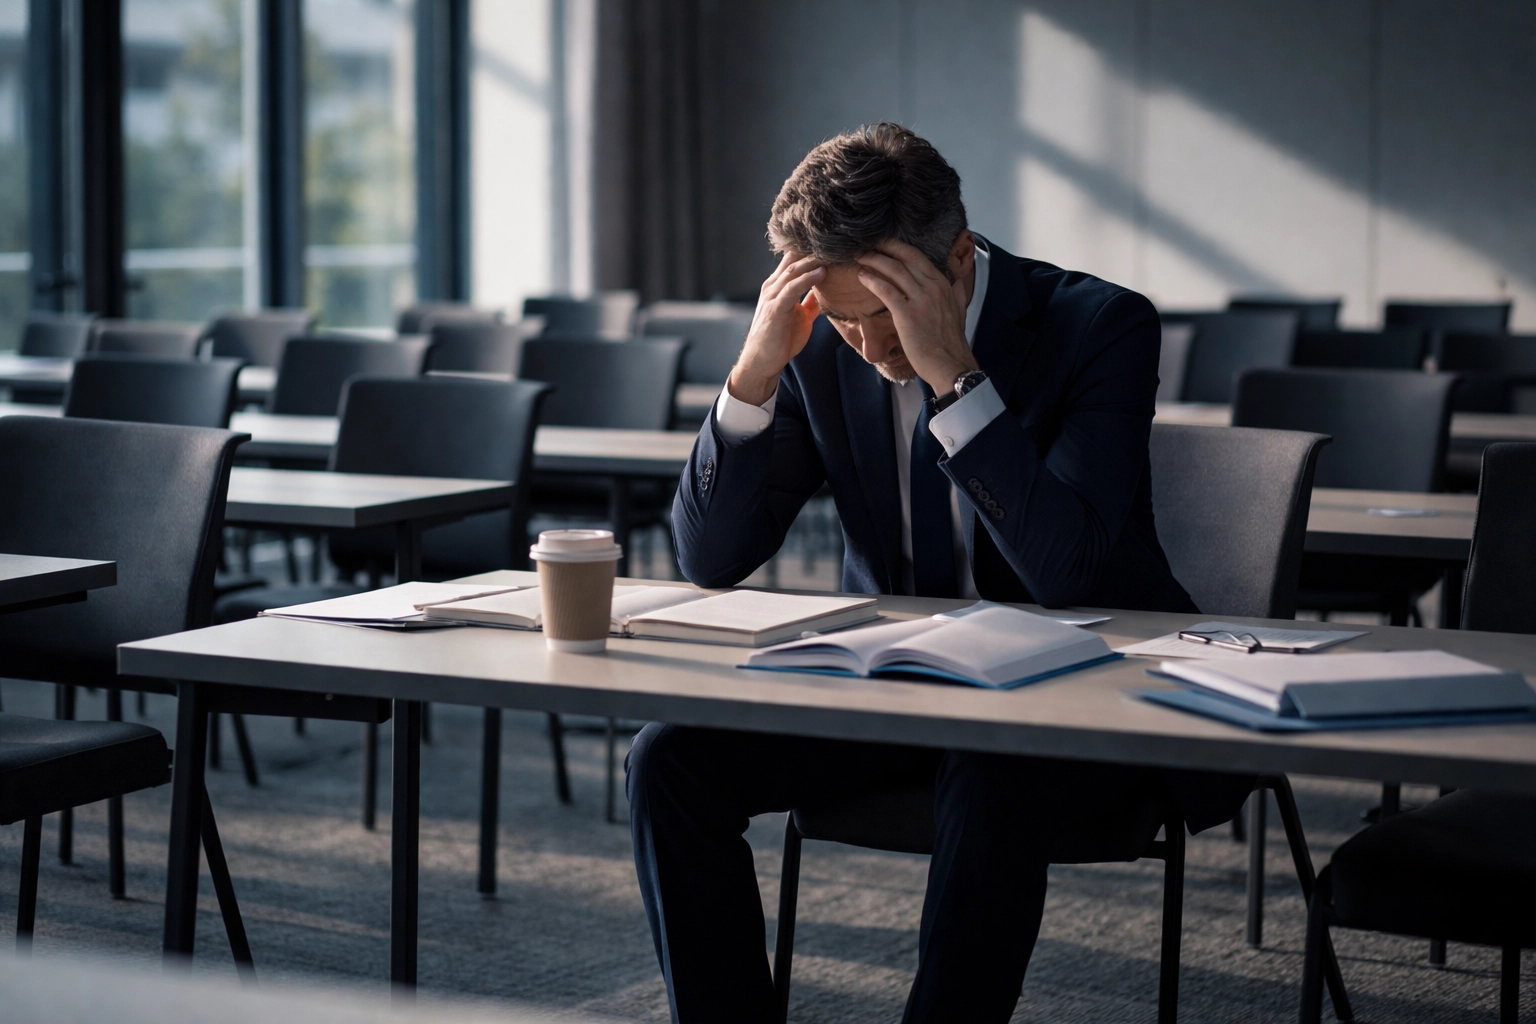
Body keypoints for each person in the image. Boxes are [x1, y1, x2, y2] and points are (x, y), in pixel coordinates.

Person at [627, 123, 1248, 1023]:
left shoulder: (1098, 326)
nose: (865, 343)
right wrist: (755, 374)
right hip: (896, 689)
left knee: (992, 761)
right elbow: (709, 557)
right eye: (840, 316)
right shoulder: (821, 346)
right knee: (668, 759)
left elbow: (1064, 568)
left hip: (1084, 696)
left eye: (883, 313)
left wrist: (956, 377)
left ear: (957, 260)